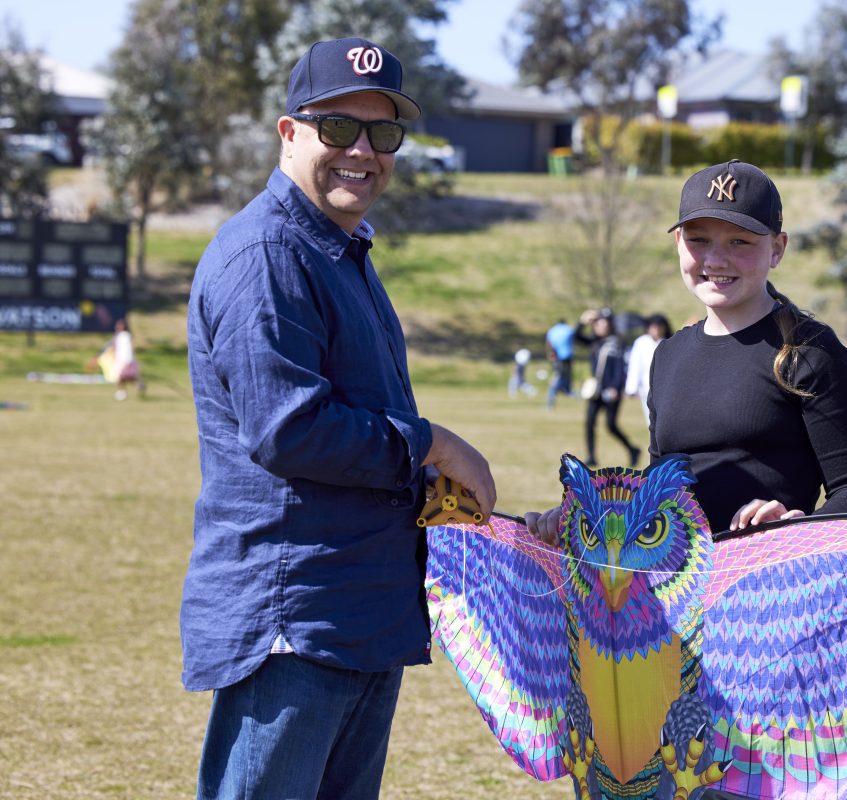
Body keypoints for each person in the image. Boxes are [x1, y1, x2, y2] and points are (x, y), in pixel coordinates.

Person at [182, 37, 496, 800]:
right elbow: (289, 429)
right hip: (297, 618)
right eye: (338, 128)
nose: (362, 150)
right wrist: (433, 443)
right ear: (289, 134)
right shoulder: (267, 255)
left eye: (383, 134)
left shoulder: (339, 250)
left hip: (360, 610)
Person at [528, 159, 847, 541]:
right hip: (673, 594)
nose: (715, 259)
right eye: (699, 239)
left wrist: (795, 530)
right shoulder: (666, 355)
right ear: (678, 243)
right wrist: (587, 520)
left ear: (777, 249)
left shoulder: (808, 351)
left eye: (739, 241)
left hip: (765, 588)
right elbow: (660, 497)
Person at [576, 308, 640, 467]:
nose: (601, 325)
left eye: (604, 322)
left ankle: (632, 449)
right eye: (598, 323)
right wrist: (582, 322)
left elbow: (621, 367)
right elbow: (576, 338)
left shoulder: (617, 342)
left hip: (611, 391)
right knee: (589, 422)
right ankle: (591, 456)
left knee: (611, 425)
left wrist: (616, 387)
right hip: (596, 391)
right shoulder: (595, 341)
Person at [625, 313, 671, 425]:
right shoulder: (641, 343)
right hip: (647, 388)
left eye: (659, 326)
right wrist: (631, 388)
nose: (656, 329)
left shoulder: (670, 342)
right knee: (651, 420)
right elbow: (635, 366)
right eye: (654, 326)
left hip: (668, 389)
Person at [93, 318, 144, 400]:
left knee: (122, 377)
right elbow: (115, 347)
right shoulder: (121, 336)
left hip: (124, 360)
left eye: (120, 325)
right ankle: (133, 387)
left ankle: (124, 391)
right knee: (123, 377)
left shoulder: (124, 336)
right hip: (121, 360)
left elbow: (126, 348)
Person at [545, 318, 576, 408]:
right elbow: (573, 340)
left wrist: (550, 355)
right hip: (567, 358)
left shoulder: (552, 330)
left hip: (556, 358)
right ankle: (571, 395)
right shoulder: (569, 329)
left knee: (557, 377)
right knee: (567, 378)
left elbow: (549, 344)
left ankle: (551, 400)